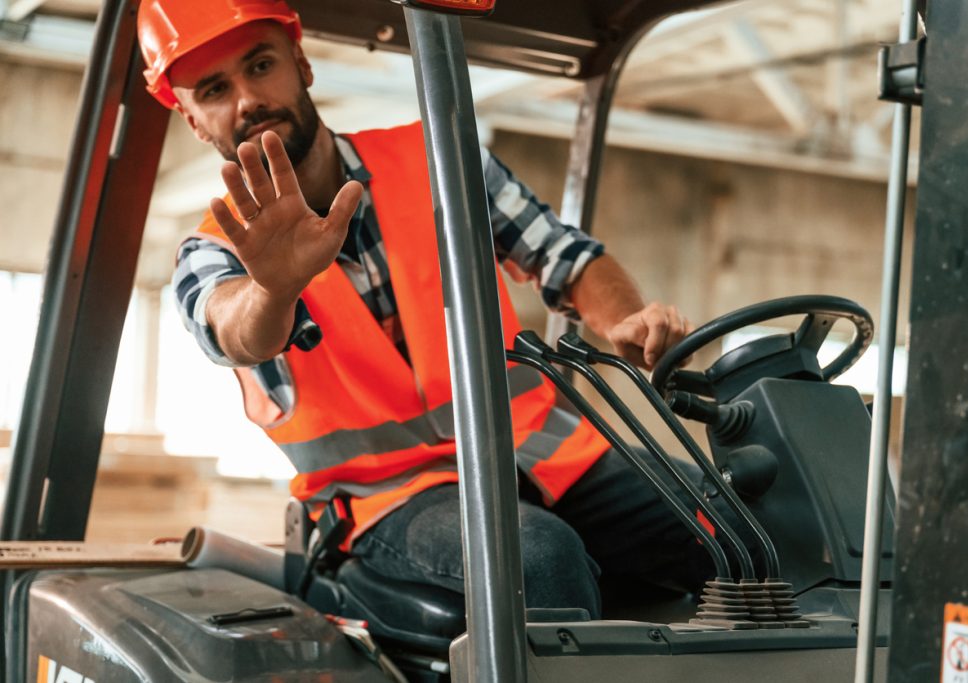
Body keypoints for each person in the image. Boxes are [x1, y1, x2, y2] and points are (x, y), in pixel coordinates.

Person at [138, 0, 716, 619]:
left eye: (260, 65)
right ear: (194, 121)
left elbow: (566, 259)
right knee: (538, 559)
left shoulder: (442, 162)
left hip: (540, 450)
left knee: (734, 522)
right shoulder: (215, 250)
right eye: (215, 89)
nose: (248, 99)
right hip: (385, 496)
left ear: (301, 64)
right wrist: (272, 291)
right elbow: (232, 329)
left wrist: (623, 319)